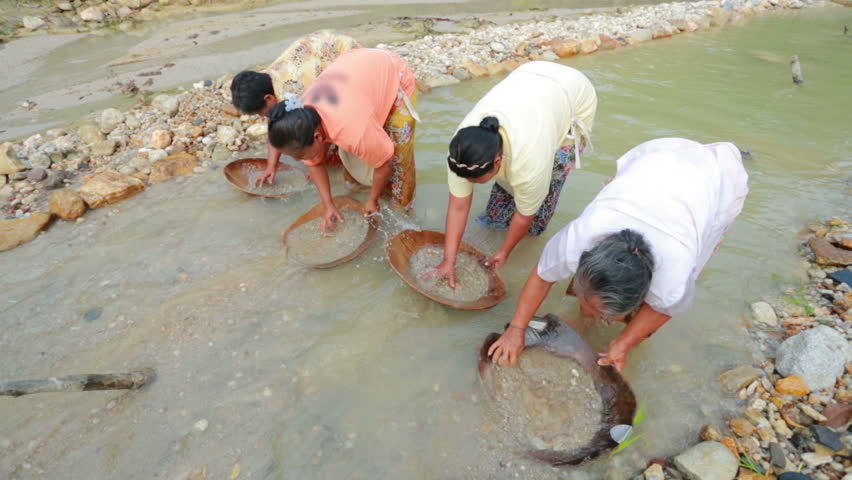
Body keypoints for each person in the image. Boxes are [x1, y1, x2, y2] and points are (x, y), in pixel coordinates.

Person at [487, 138, 749, 372]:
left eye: (604, 313)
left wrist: (625, 342)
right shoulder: (580, 238)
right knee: (595, 291)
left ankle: (621, 331)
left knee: (648, 312)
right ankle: (586, 319)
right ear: (585, 261)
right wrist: (516, 329)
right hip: (656, 160)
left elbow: (664, 309)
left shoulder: (674, 280)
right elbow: (542, 276)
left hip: (715, 187)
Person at [433, 61, 597, 287]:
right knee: (506, 193)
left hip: (574, 93)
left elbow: (525, 214)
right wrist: (447, 261)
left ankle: (527, 234)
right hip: (528, 78)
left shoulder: (530, 161)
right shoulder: (461, 150)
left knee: (547, 184)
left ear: (497, 161)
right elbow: (458, 206)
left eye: (477, 180)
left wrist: (504, 251)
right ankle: (496, 218)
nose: (471, 184)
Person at [266, 48, 419, 231]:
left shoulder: (353, 131)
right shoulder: (299, 119)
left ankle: (403, 212)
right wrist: (328, 204)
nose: (299, 161)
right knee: (357, 164)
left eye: (299, 156)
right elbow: (315, 163)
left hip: (392, 72)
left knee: (397, 160)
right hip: (355, 77)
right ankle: (358, 185)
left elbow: (384, 163)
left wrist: (372, 200)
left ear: (317, 137)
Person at [229, 30, 359, 186]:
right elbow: (277, 123)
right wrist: (272, 165)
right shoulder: (267, 79)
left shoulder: (294, 93)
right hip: (322, 45)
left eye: (260, 112)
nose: (263, 116)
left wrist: (316, 162)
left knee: (337, 134)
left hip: (350, 57)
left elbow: (317, 124)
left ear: (268, 98)